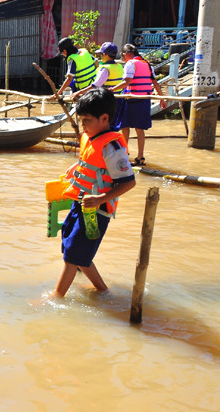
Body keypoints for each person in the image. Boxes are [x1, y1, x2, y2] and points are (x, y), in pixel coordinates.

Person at [52, 87, 136, 298]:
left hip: (97, 210)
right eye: (81, 120)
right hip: (81, 202)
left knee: (73, 255)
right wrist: (76, 168)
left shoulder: (112, 147)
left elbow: (129, 182)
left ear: (104, 118)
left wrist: (101, 198)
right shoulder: (91, 137)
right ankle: (103, 291)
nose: (83, 125)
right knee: (72, 247)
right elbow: (92, 164)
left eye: (87, 120)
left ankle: (56, 296)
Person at [111, 44, 167, 166]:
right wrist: (162, 99)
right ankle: (140, 157)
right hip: (143, 99)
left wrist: (111, 90)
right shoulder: (147, 64)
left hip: (131, 99)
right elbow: (155, 83)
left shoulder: (130, 64)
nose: (124, 58)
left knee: (125, 127)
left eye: (123, 56)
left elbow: (126, 82)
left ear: (127, 54)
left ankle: (125, 154)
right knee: (139, 130)